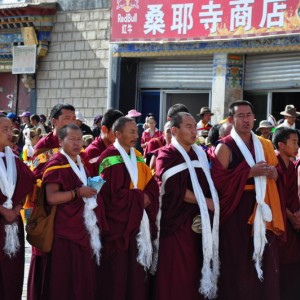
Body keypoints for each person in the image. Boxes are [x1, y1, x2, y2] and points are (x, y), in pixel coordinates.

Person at [211, 100, 284, 300]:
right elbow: (218, 183)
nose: (246, 120)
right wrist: (249, 172)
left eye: (249, 115)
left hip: (262, 206)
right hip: (237, 210)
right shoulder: (224, 147)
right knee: (239, 262)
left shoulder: (264, 144)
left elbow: (278, 173)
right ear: (230, 119)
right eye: (240, 116)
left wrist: (273, 174)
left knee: (265, 259)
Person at [153, 112, 219, 300]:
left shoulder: (199, 153)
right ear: (174, 130)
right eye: (189, 127)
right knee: (177, 275)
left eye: (194, 127)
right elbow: (174, 190)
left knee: (195, 271)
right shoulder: (166, 155)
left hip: (200, 224)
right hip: (177, 226)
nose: (194, 131)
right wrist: (206, 202)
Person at [39, 124, 106, 299]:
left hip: (83, 228)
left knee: (82, 279)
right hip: (64, 231)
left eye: (80, 139)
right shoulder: (56, 164)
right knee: (65, 281)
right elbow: (51, 198)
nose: (77, 144)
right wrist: (78, 193)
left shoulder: (80, 162)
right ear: (61, 141)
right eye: (72, 139)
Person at [97, 116, 159, 300]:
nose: (136, 135)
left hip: (139, 222)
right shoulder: (108, 159)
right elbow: (111, 195)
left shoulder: (138, 157)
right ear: (117, 134)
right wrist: (141, 198)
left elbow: (151, 183)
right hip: (119, 226)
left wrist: (146, 196)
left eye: (137, 132)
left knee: (137, 275)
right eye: (131, 132)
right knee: (118, 275)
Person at [27, 103, 76, 300]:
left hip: (73, 214)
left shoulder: (76, 143)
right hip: (50, 212)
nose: (72, 122)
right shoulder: (45, 146)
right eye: (66, 119)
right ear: (54, 122)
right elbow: (35, 176)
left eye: (73, 119)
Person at [0, 114, 35, 300]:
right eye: (4, 129)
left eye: (11, 129)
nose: (10, 133)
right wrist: (3, 210)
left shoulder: (13, 157)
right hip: (4, 218)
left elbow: (28, 182)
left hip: (13, 223)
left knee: (11, 274)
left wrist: (17, 207)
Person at [272, 127, 300, 300]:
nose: (297, 146)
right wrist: (291, 216)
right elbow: (275, 196)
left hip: (294, 224)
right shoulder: (274, 164)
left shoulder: (292, 165)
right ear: (281, 145)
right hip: (280, 223)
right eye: (294, 142)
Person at [83, 108, 124, 176]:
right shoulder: (92, 152)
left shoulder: (121, 148)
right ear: (105, 129)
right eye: (117, 131)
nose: (121, 135)